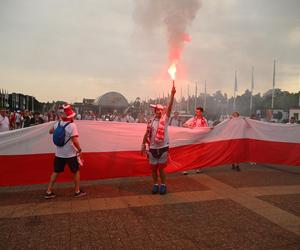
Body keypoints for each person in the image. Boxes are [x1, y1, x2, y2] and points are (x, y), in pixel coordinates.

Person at [45, 104, 86, 199]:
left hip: (59, 153)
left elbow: (50, 131)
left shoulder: (58, 124)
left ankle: (48, 191)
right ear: (71, 116)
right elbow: (75, 140)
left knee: (55, 171)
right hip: (70, 154)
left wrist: (58, 126)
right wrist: (80, 150)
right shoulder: (72, 126)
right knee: (76, 172)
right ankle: (77, 191)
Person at [141, 85, 176, 195]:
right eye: (157, 110)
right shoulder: (150, 121)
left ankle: (163, 185)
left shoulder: (165, 120)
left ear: (162, 111)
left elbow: (170, 109)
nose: (159, 112)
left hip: (163, 147)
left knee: (161, 169)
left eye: (161, 110)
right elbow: (147, 133)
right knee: (153, 169)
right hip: (152, 147)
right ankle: (155, 184)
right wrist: (143, 144)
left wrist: (172, 95)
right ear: (155, 111)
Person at [182, 106, 208, 174]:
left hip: (200, 140)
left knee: (199, 155)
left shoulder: (204, 120)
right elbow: (184, 125)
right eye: (196, 111)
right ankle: (185, 169)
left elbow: (206, 128)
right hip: (191, 140)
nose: (196, 113)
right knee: (188, 154)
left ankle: (198, 168)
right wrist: (189, 126)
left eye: (198, 112)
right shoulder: (192, 119)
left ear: (201, 112)